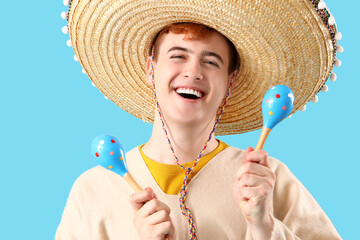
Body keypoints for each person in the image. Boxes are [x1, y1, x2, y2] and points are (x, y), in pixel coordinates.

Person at [56, 0, 343, 239]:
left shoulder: (268, 179)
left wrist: (264, 228)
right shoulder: (92, 190)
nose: (193, 72)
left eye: (211, 61)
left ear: (230, 81)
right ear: (150, 69)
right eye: (178, 56)